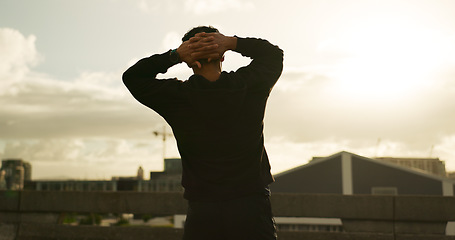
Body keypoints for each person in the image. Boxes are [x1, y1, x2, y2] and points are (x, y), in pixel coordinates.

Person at [123, 26, 283, 240]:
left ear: (190, 61)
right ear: (222, 56)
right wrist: (231, 41)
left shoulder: (177, 97)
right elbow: (273, 54)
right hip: (251, 206)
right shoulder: (249, 85)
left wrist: (175, 55)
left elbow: (133, 77)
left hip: (203, 210)